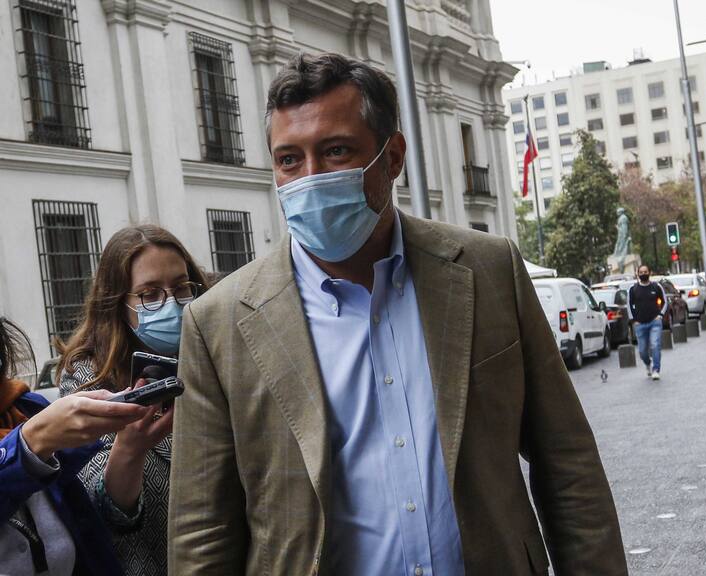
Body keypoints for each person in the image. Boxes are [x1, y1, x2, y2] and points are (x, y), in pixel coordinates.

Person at [169, 53, 627, 575]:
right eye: (289, 160)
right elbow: (202, 531)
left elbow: (567, 463)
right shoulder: (219, 323)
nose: (310, 178)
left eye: (336, 150)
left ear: (392, 157)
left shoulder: (489, 271)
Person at [57, 225, 208, 576]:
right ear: (118, 303)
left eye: (182, 288)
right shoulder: (88, 377)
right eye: (149, 294)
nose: (171, 304)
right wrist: (130, 449)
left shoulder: (213, 355)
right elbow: (102, 510)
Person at [0, 317, 149, 575]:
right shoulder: (37, 425)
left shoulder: (26, 409)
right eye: (148, 294)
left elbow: (93, 532)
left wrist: (129, 449)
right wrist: (29, 444)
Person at [627, 265, 667, 380]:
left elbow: (664, 302)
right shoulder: (633, 289)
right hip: (640, 324)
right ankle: (647, 363)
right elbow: (629, 305)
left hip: (655, 322)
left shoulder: (656, 287)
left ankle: (656, 369)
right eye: (641, 272)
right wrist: (634, 320)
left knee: (655, 345)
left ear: (650, 272)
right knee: (642, 350)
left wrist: (660, 316)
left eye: (645, 271)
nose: (643, 274)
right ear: (637, 274)